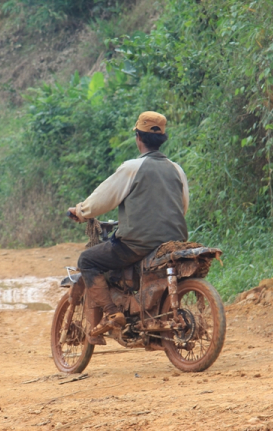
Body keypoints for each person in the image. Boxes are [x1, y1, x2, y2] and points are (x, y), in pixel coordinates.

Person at [67, 111, 189, 342]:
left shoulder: (132, 168)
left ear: (138, 138)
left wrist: (80, 211)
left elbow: (103, 198)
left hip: (137, 245)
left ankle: (113, 314)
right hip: (173, 242)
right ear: (162, 139)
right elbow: (182, 207)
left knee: (87, 260)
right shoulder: (177, 169)